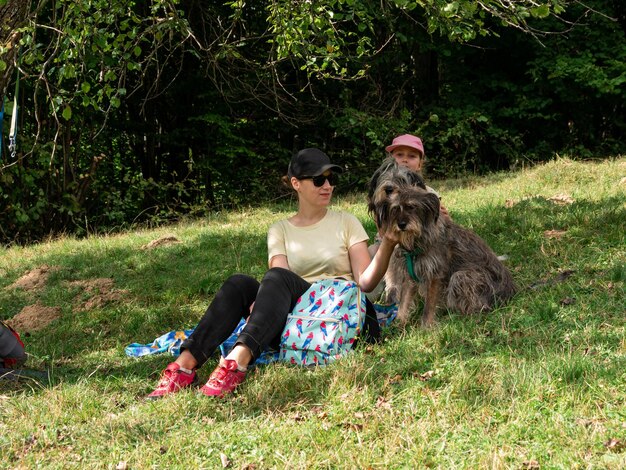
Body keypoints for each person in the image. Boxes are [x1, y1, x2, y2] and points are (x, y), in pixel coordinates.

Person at [146, 148, 399, 399]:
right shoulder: (280, 229)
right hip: (298, 321)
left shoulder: (346, 222)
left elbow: (365, 282)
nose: (327, 186)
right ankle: (184, 365)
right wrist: (264, 300)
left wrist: (387, 244)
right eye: (319, 180)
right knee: (239, 283)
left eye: (332, 179)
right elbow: (279, 279)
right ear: (295, 183)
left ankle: (236, 363)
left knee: (276, 277)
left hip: (341, 316)